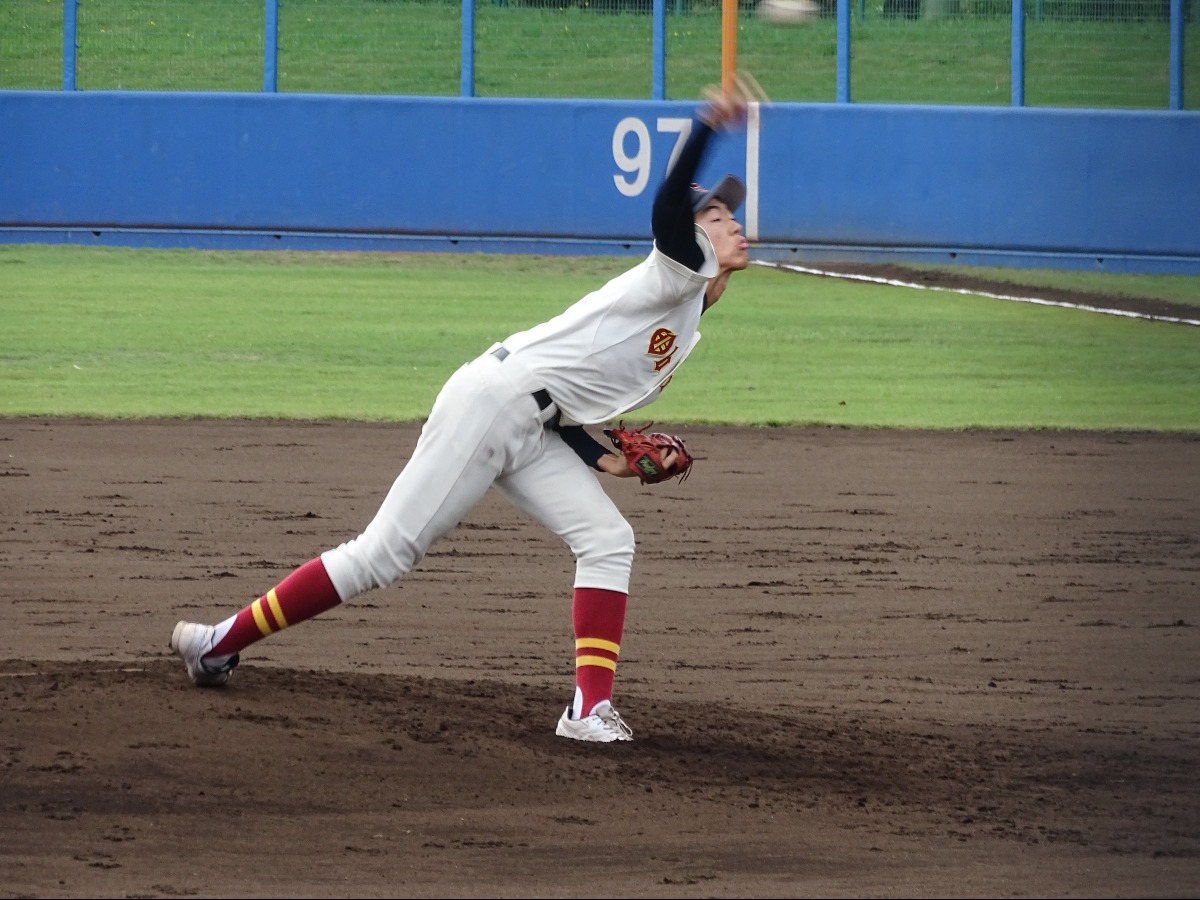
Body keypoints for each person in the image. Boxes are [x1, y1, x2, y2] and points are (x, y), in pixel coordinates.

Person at [169, 82, 753, 743]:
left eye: (731, 212)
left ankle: (588, 711)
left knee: (608, 539)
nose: (732, 219)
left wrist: (605, 458)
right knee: (381, 556)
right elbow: (665, 208)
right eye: (717, 214)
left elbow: (564, 398)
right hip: (491, 404)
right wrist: (706, 125)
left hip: (532, 423)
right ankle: (218, 641)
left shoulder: (686, 319)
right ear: (695, 236)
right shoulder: (675, 272)